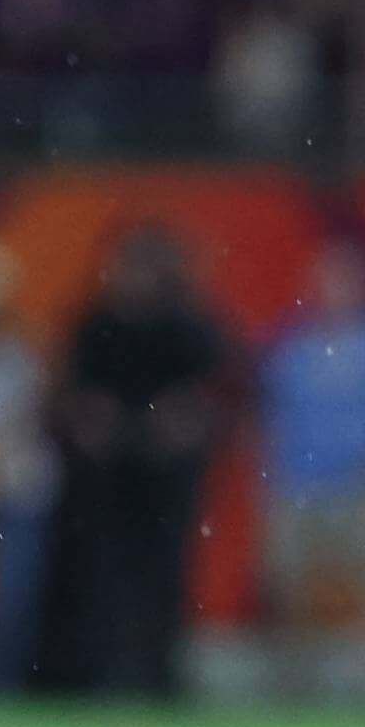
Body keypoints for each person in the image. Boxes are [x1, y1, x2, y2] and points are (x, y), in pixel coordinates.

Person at [44, 226, 231, 696]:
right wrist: (88, 417)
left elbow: (224, 394)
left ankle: (158, 677)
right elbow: (63, 396)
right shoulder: (93, 324)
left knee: (165, 579)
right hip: (102, 480)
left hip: (168, 477)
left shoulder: (189, 325)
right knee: (98, 579)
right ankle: (98, 678)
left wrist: (185, 417)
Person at [258, 240, 365, 694]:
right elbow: (272, 420)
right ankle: (295, 685)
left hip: (363, 486)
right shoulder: (292, 348)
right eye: (324, 279)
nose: (332, 289)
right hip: (299, 486)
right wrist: (269, 483)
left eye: (342, 280)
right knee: (291, 590)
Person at [0, 241, 61, 691]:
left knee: (14, 596)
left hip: (14, 494)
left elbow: (26, 423)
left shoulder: (25, 358)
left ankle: (1, 686)